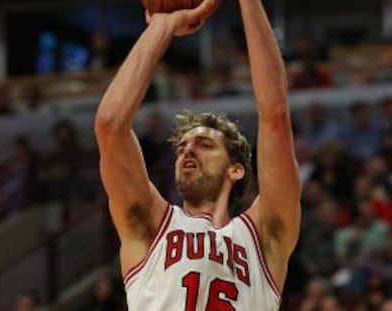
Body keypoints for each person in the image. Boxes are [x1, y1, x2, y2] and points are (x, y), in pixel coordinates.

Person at [94, 0, 301, 310]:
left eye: (205, 145)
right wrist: (163, 27)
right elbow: (110, 125)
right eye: (182, 148)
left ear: (236, 169)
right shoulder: (151, 227)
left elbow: (275, 115)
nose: (188, 149)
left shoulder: (264, 237)